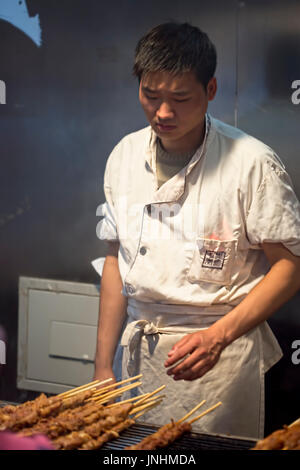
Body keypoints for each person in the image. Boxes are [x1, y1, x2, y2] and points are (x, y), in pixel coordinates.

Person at [94, 22, 300, 439]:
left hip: (218, 363)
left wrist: (217, 337)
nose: (163, 112)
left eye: (180, 98)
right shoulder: (124, 156)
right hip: (138, 361)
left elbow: (290, 267)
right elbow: (117, 263)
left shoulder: (252, 164)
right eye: (151, 96)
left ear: (210, 90)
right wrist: (101, 365)